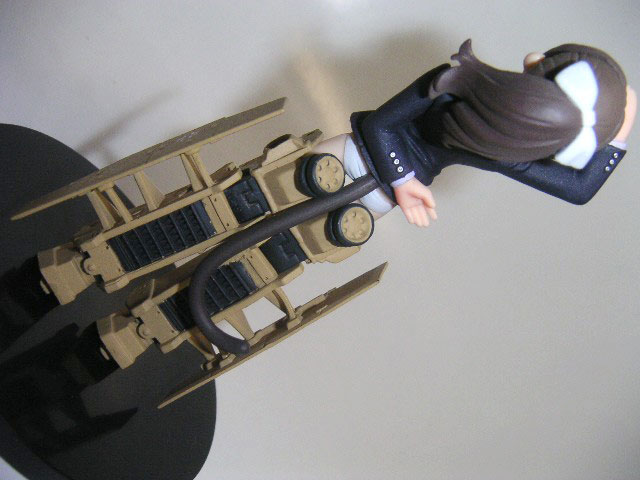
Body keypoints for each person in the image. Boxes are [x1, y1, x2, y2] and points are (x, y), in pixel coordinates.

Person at [313, 40, 636, 226]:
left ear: (535, 64)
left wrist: (619, 134)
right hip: (346, 159)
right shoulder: (449, 84)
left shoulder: (502, 149)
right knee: (285, 185)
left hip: (374, 200)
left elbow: (577, 190)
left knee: (303, 246)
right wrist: (403, 179)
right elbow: (379, 125)